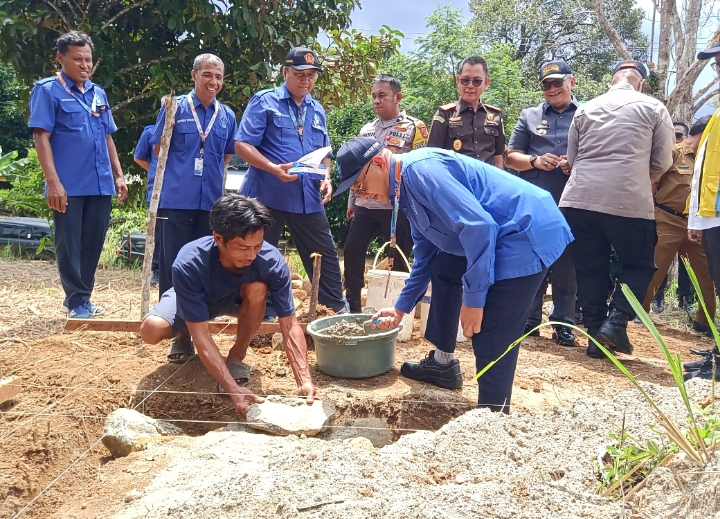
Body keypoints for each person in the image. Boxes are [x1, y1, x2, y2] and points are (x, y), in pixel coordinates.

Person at [333, 138, 573, 413]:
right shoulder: (403, 193)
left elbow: (480, 228)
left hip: (524, 232)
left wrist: (474, 301)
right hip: (498, 233)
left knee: (491, 333)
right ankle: (443, 362)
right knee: (444, 268)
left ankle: (494, 419)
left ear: (377, 163)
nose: (363, 195)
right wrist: (400, 309)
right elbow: (426, 256)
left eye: (360, 186)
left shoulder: (420, 172)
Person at [140, 194, 319, 416]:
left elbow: (289, 325)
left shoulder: (271, 261)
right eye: (244, 248)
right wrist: (233, 389)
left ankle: (236, 357)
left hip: (239, 299)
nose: (252, 254)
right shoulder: (190, 262)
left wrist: (305, 381)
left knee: (258, 288)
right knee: (151, 330)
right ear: (218, 238)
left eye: (257, 246)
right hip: (197, 298)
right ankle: (182, 336)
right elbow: (202, 334)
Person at [560, 60, 674, 358]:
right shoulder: (652, 107)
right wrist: (637, 177)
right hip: (628, 201)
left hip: (579, 200)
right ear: (640, 83)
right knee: (639, 265)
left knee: (589, 269)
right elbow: (663, 162)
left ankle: (596, 340)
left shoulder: (585, 108)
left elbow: (572, 159)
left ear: (612, 81)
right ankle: (617, 321)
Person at [235, 47, 347, 313]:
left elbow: (325, 152)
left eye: (311, 75)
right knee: (260, 255)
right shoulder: (265, 101)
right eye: (299, 74)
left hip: (307, 196)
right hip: (266, 195)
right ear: (285, 72)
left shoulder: (317, 109)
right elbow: (242, 145)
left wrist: (327, 177)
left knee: (326, 254)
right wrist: (273, 168)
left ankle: (334, 311)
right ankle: (263, 313)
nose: (306, 80)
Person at [28, 31, 128, 319]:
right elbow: (41, 137)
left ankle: (83, 297)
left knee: (93, 243)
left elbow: (108, 136)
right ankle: (76, 302)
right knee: (69, 244)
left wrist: (118, 175)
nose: (84, 65)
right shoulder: (48, 90)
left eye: (88, 60)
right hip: (68, 185)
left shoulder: (98, 93)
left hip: (99, 183)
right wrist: (53, 182)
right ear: (60, 59)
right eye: (77, 59)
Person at [151, 53, 237, 303]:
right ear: (194, 75)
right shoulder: (174, 107)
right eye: (207, 74)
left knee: (204, 260)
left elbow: (226, 155)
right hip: (176, 199)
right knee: (172, 263)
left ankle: (199, 312)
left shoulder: (227, 115)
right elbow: (159, 148)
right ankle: (170, 314)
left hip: (210, 202)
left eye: (218, 77)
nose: (213, 81)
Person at [506, 59, 578, 347]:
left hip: (573, 200)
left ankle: (563, 324)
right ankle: (529, 320)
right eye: (546, 85)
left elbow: (596, 155)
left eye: (557, 83)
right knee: (533, 260)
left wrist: (575, 164)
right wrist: (535, 160)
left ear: (571, 82)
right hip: (536, 202)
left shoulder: (588, 114)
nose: (552, 89)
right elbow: (511, 156)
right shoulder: (530, 115)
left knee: (566, 265)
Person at [343, 74, 428, 312]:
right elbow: (357, 170)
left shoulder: (415, 128)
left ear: (398, 97)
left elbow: (419, 169)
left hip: (397, 207)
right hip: (365, 204)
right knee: (352, 249)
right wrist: (352, 201)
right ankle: (352, 302)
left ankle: (397, 307)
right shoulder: (366, 129)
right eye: (373, 96)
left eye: (382, 96)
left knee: (399, 255)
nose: (376, 101)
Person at [642, 116, 714, 334]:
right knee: (655, 268)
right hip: (667, 220)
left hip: (698, 224)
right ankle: (639, 312)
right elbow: (652, 182)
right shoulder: (674, 152)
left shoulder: (711, 157)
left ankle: (706, 321)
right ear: (702, 133)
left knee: (707, 273)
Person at [686, 31, 720, 380]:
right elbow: (705, 169)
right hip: (714, 215)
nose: (718, 69)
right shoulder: (717, 114)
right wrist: (698, 217)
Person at [427, 56, 505, 168]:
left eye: (477, 81)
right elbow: (433, 156)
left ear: (486, 82)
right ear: (458, 81)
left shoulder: (495, 116)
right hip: (456, 182)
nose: (470, 85)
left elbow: (498, 158)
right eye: (465, 80)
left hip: (487, 182)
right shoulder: (445, 115)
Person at [133, 124, 160, 287]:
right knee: (157, 231)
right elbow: (138, 157)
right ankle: (157, 270)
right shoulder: (150, 131)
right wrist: (156, 171)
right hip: (158, 190)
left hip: (182, 191)